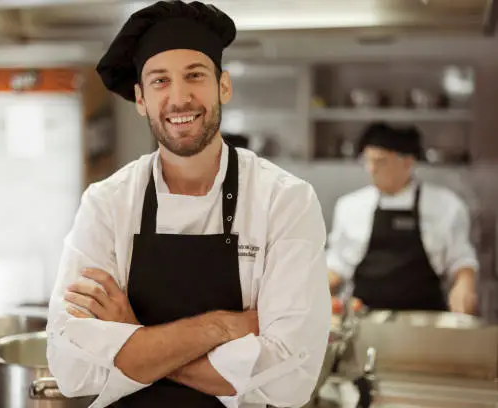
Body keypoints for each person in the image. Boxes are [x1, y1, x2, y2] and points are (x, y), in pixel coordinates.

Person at [45, 1, 331, 408]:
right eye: (160, 81)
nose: (179, 98)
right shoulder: (107, 203)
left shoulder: (284, 200)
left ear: (223, 86)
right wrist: (220, 327)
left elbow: (290, 381)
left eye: (194, 75)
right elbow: (72, 368)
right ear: (140, 98)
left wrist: (134, 335)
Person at [326, 122, 479, 314]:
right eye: (367, 161)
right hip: (363, 319)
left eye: (380, 161)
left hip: (426, 320)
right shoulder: (350, 206)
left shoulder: (445, 206)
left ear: (407, 163)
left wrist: (465, 284)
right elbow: (337, 263)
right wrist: (318, 290)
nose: (371, 169)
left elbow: (460, 259)